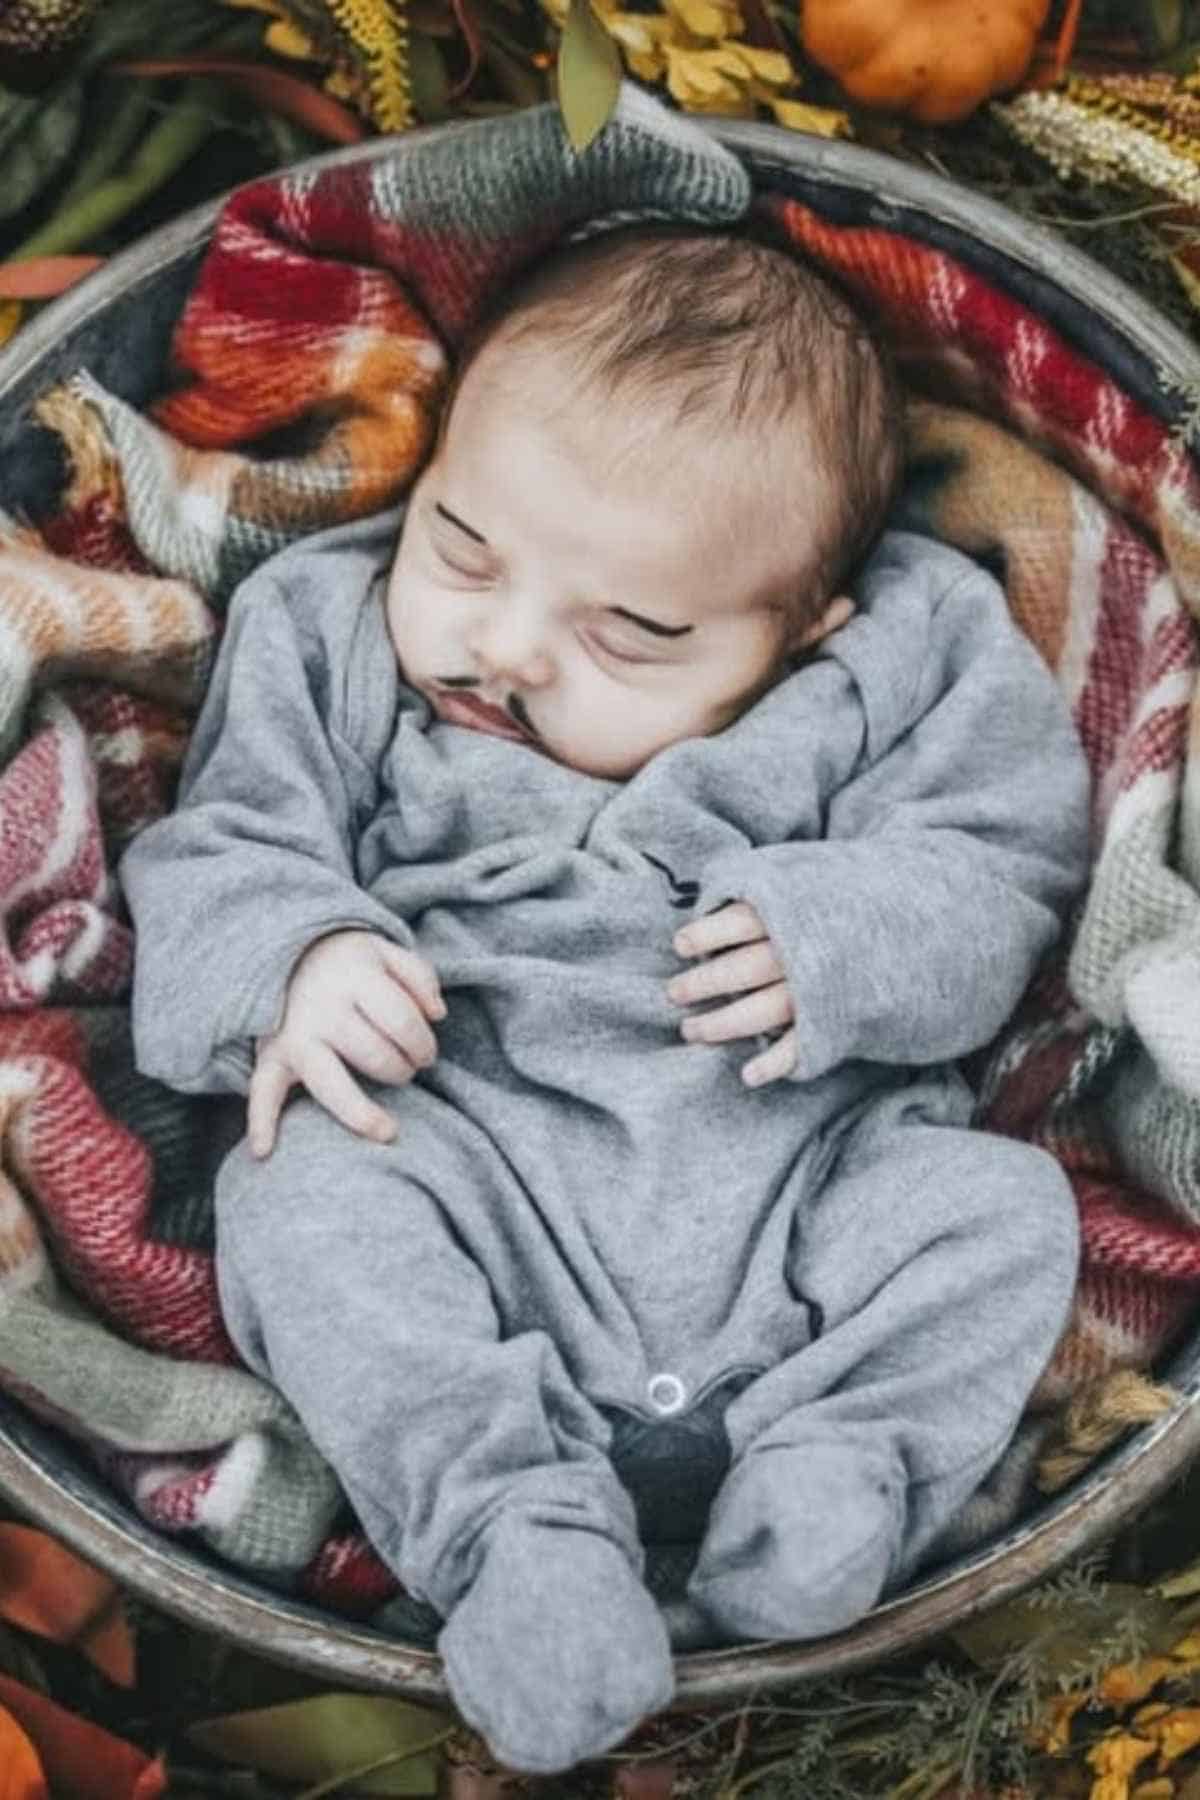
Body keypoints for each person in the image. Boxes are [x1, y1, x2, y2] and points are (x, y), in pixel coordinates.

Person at [121, 226, 1090, 1774]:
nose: (501, 650)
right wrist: (297, 956)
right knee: (302, 1196)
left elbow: (1008, 868)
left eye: (631, 635)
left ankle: (846, 1458)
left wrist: (846, 932)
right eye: (461, 546)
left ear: (803, 627)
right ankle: (512, 1529)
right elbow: (222, 840)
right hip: (468, 1180)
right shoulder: (332, 629)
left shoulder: (904, 658)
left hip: (801, 1192)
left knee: (999, 1212)